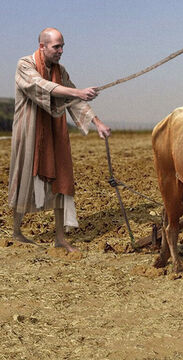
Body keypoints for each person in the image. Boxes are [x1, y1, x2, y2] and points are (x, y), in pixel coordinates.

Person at [8, 27, 111, 252]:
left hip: (55, 131)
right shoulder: (24, 64)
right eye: (57, 46)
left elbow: (75, 99)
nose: (61, 51)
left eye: (63, 46)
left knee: (62, 177)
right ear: (42, 46)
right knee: (24, 176)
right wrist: (77, 92)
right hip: (29, 130)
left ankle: (60, 238)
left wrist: (98, 122)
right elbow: (41, 86)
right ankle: (16, 231)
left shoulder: (60, 71)